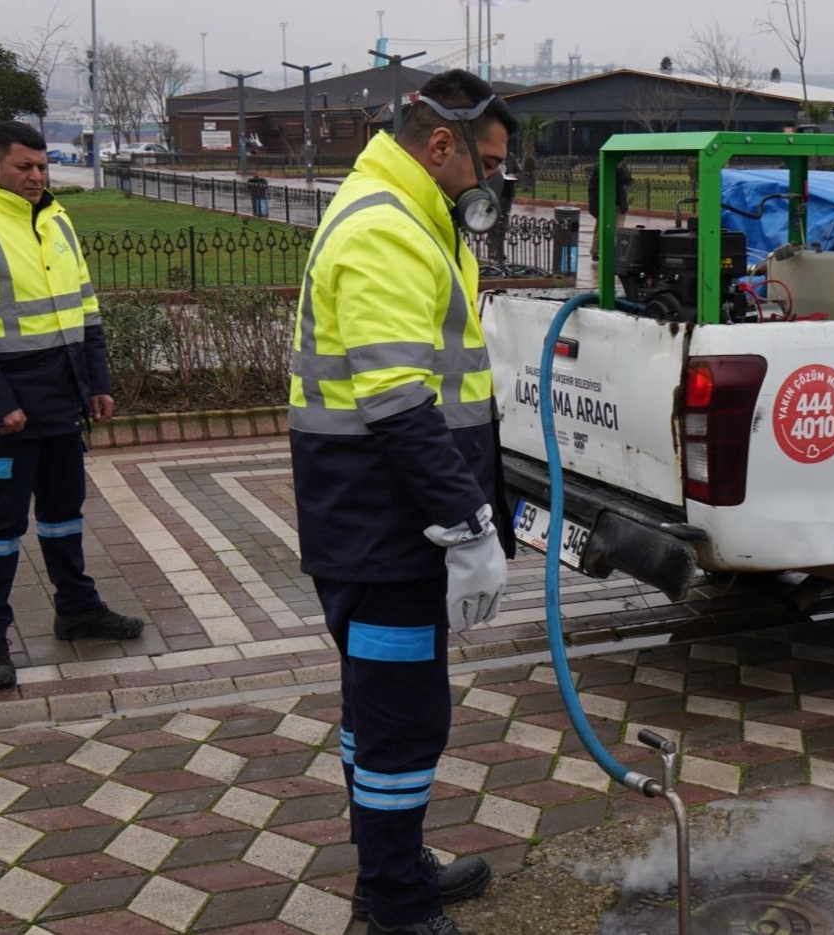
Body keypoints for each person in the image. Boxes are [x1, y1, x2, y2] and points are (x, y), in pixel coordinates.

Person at [288, 70, 518, 935]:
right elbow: (396, 400)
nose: (492, 183)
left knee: (375, 708)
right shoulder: (386, 230)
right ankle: (395, 905)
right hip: (386, 530)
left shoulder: (409, 215)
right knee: (402, 720)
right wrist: (466, 529)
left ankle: (390, 862)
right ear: (438, 144)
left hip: (379, 522)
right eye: (487, 163)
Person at [0, 121, 145, 690]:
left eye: (42, 166)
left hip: (61, 397)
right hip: (7, 409)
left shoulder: (56, 220)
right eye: (24, 166)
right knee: (1, 527)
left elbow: (86, 310)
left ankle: (77, 610)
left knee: (63, 515)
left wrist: (96, 382)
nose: (35, 176)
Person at [587, 158, 632, 259]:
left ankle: (616, 253)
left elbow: (627, 180)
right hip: (604, 204)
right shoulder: (599, 166)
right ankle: (596, 252)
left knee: (619, 229)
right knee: (602, 229)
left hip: (618, 204)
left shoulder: (622, 166)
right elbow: (594, 186)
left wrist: (619, 168)